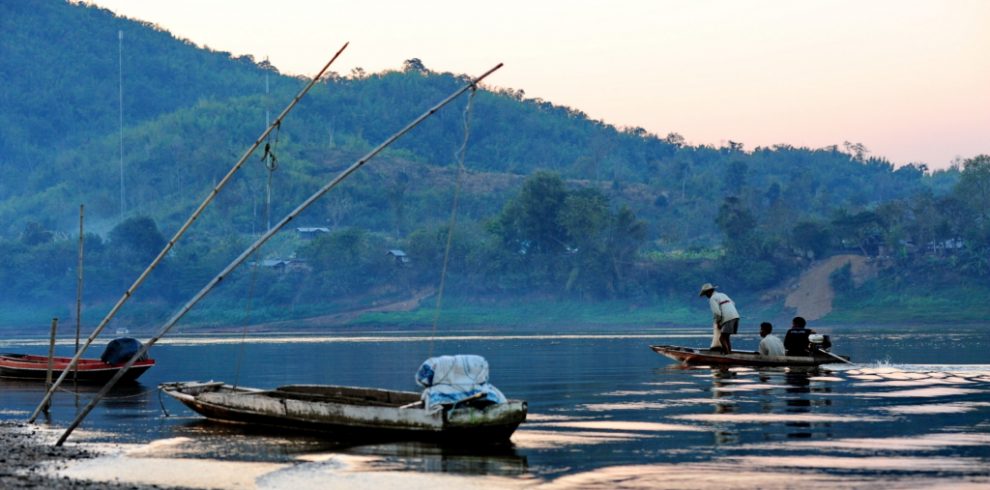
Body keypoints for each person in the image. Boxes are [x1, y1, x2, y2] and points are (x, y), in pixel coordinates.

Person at [699, 283, 739, 354]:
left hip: (728, 318)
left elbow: (717, 313)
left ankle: (727, 356)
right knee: (726, 337)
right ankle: (729, 353)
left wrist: (718, 323)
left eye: (706, 294)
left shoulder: (712, 298)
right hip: (735, 316)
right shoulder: (723, 295)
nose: (706, 296)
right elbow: (733, 303)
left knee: (722, 338)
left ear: (709, 292)